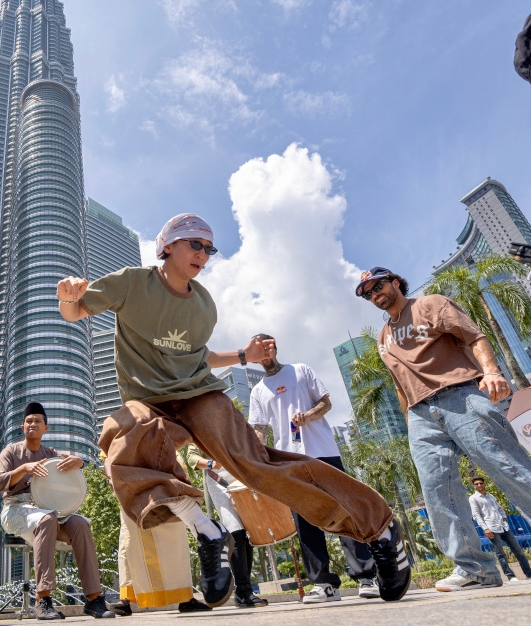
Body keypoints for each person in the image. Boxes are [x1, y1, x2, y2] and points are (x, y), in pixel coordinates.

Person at [57, 213, 411, 607]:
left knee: (255, 465)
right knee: (123, 439)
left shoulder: (203, 305)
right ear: (167, 246)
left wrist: (244, 355)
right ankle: (207, 532)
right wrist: (69, 297)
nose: (203, 254)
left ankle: (379, 529)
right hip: (148, 401)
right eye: (195, 244)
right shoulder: (132, 283)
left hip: (198, 395)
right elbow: (76, 312)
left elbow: (199, 356)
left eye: (209, 249)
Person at [357, 266, 531, 591]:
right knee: (438, 491)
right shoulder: (383, 338)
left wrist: (491, 372)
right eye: (367, 294)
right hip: (420, 414)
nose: (373, 295)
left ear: (395, 282)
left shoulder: (430, 304)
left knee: (509, 467)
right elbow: (400, 384)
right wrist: (410, 423)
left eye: (377, 286)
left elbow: (474, 336)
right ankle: (475, 569)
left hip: (460, 395)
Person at [247, 339, 380, 603]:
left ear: (275, 349)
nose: (265, 353)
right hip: (289, 460)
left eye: (268, 347)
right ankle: (323, 584)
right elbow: (259, 429)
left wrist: (307, 416)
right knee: (305, 522)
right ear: (253, 356)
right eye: (258, 350)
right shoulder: (258, 391)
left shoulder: (300, 370)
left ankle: (366, 576)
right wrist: (259, 460)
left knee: (345, 512)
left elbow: (326, 403)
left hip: (323, 452)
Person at [0, 402, 115, 620]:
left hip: (47, 511)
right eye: (29, 421)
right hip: (15, 509)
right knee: (47, 519)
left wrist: (80, 463)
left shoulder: (50, 454)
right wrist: (24, 469)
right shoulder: (11, 451)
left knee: (81, 525)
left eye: (38, 421)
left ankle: (94, 599)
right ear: (22, 427)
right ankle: (43, 599)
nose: (33, 424)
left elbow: (73, 468)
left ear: (46, 428)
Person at [109, 450, 209, 615]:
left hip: (166, 479)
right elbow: (109, 456)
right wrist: (114, 479)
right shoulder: (118, 434)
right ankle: (126, 599)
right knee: (130, 543)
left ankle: (186, 598)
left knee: (176, 541)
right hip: (131, 487)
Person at [181, 446, 268, 608]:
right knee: (236, 532)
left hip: (241, 475)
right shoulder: (201, 430)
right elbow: (192, 457)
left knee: (247, 535)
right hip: (218, 478)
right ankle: (244, 591)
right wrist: (210, 463)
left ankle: (243, 593)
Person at [469, 477, 531, 582]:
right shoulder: (473, 498)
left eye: (481, 483)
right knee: (501, 554)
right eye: (477, 484)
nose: (479, 485)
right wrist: (486, 529)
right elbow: (476, 515)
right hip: (491, 528)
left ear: (484, 484)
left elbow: (499, 508)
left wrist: (504, 518)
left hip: (503, 527)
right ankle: (511, 576)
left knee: (518, 551)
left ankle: (529, 573)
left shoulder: (491, 496)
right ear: (474, 486)